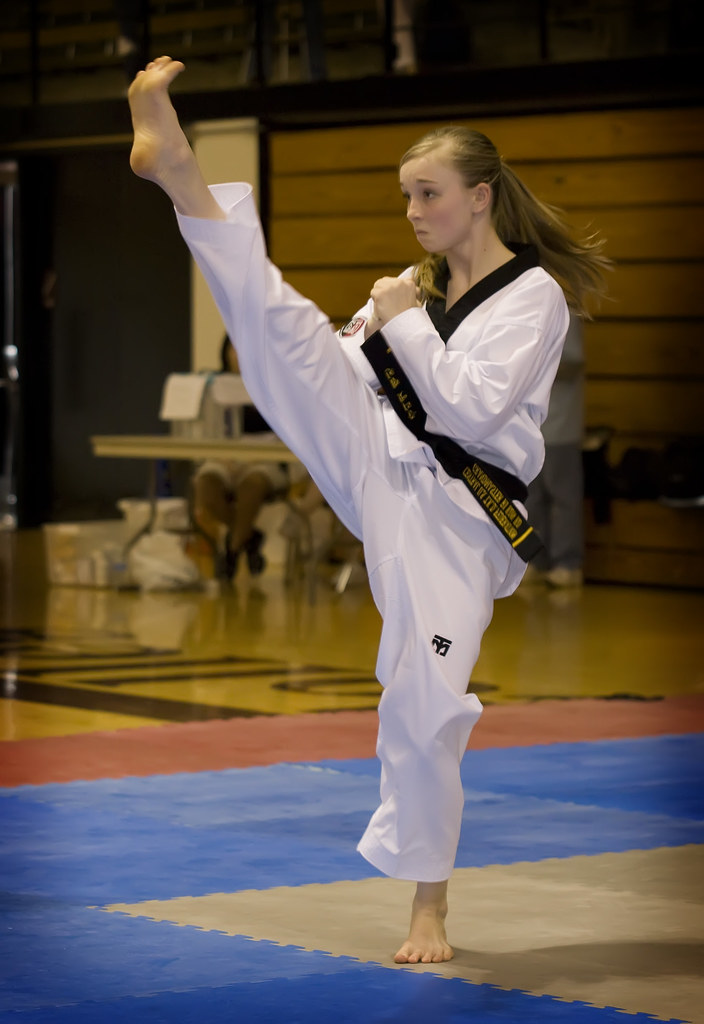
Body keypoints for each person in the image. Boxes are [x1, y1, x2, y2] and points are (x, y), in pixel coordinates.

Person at [127, 56, 609, 964]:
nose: (414, 212)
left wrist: (402, 318)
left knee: (425, 700)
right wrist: (356, 339)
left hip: (458, 513)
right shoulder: (413, 285)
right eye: (406, 196)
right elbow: (349, 364)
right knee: (287, 338)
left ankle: (430, 908)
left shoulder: (533, 296)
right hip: (379, 458)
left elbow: (471, 409)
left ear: (480, 197)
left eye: (429, 194)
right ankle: (181, 173)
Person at [191, 335, 291, 580]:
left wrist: (257, 456)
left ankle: (232, 551)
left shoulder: (274, 383)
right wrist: (222, 455)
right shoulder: (215, 386)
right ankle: (248, 537)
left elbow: (287, 431)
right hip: (225, 457)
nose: (238, 355)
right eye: (233, 348)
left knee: (252, 485)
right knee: (205, 485)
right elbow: (208, 432)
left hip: (265, 459)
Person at [524, 313, 586, 587]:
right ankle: (535, 561)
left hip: (560, 425)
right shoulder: (524, 310)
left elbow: (573, 363)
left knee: (563, 498)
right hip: (530, 427)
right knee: (531, 498)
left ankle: (567, 564)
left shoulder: (565, 312)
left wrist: (532, 364)